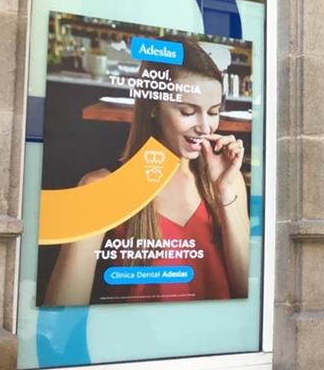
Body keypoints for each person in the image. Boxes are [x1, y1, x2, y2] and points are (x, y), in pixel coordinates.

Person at [44, 38, 249, 306]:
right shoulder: (101, 187)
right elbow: (62, 311)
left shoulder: (228, 184)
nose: (205, 127)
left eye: (213, 112)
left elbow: (247, 290)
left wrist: (224, 193)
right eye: (187, 111)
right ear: (153, 107)